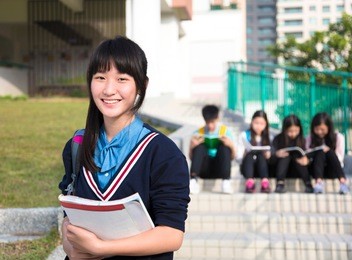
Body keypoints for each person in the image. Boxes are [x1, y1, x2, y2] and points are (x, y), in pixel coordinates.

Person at [58, 36, 190, 259]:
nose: (109, 90)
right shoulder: (76, 146)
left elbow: (171, 234)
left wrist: (101, 249)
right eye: (100, 77)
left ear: (141, 84)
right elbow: (68, 217)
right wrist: (72, 250)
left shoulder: (163, 154)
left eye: (122, 79)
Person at [189, 104, 236, 194]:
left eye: (212, 122)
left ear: (217, 118)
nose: (210, 125)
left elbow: (233, 157)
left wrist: (231, 146)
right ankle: (193, 181)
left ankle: (226, 182)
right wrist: (192, 146)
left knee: (224, 147)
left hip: (220, 168)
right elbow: (191, 157)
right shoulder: (198, 133)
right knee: (200, 147)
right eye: (207, 122)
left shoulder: (225, 132)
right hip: (204, 169)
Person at [306, 112, 350, 194]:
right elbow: (307, 154)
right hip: (316, 170)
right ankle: (318, 183)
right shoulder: (309, 138)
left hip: (332, 169)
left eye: (322, 129)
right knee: (320, 152)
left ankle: (343, 182)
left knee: (329, 152)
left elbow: (340, 157)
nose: (319, 132)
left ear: (329, 127)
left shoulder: (338, 137)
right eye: (317, 129)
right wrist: (318, 151)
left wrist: (328, 151)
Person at [271, 115, 314, 193]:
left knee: (297, 155)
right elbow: (271, 159)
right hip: (281, 171)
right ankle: (280, 184)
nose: (293, 134)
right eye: (290, 131)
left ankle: (308, 184)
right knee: (285, 156)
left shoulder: (302, 140)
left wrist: (307, 160)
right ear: (285, 130)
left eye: (296, 131)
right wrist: (276, 154)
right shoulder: (278, 139)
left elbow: (309, 154)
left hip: (298, 170)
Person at [236, 110, 272, 193]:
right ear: (251, 122)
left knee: (260, 154)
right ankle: (249, 183)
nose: (258, 126)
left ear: (266, 124)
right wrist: (244, 154)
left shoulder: (269, 137)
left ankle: (265, 182)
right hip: (248, 167)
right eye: (256, 123)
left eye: (261, 123)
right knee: (250, 154)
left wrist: (268, 155)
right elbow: (239, 157)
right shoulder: (244, 135)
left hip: (263, 167)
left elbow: (272, 154)